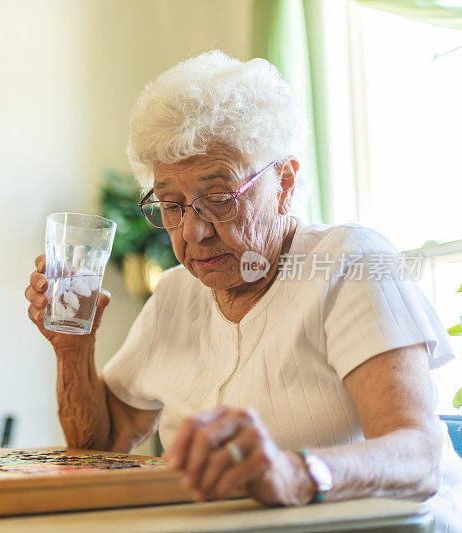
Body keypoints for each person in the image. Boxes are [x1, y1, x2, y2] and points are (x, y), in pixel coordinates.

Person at [24, 51, 462, 531]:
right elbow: (101, 444)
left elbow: (419, 454)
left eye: (218, 198)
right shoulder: (174, 295)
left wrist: (297, 472)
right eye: (172, 205)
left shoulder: (348, 261)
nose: (193, 231)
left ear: (285, 183)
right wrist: (72, 347)